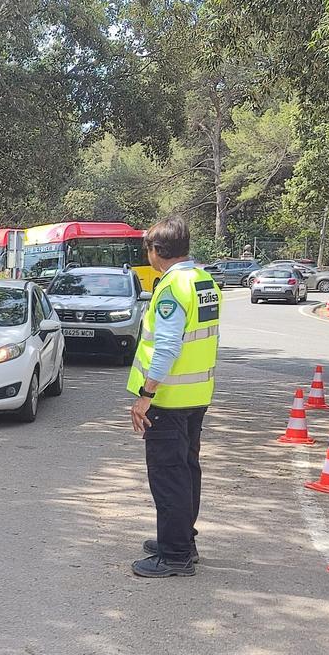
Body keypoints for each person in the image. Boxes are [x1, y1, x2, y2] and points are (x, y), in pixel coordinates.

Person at [126, 216, 221, 577]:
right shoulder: (203, 280)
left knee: (168, 477)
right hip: (196, 395)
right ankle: (182, 539)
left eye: (148, 248)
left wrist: (145, 395)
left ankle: (176, 555)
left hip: (169, 398)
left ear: (157, 251)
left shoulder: (172, 288)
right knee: (187, 471)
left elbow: (166, 347)